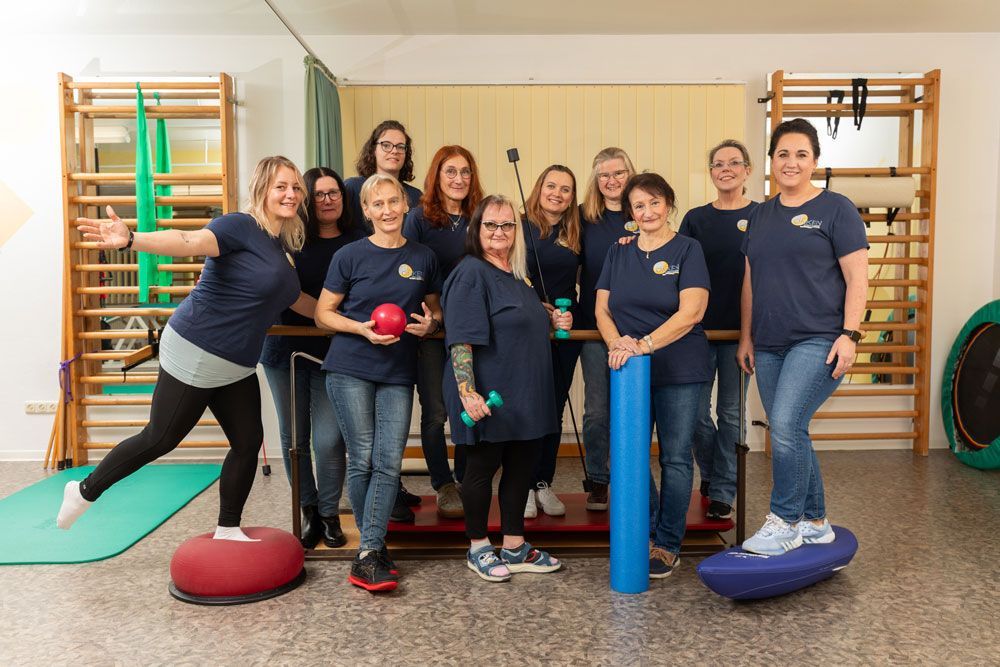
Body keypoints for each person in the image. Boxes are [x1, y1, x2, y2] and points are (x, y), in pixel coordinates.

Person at [58, 156, 312, 542]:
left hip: (236, 364)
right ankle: (83, 491)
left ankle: (228, 528)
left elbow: (297, 300)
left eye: (295, 187)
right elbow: (189, 241)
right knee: (161, 437)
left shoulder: (280, 246)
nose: (290, 194)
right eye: (281, 186)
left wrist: (346, 318)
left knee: (247, 443)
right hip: (198, 348)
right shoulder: (239, 226)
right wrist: (132, 239)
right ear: (262, 188)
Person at [738, 118, 869, 556]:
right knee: (791, 428)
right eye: (782, 154)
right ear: (771, 161)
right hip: (769, 343)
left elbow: (858, 278)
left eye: (801, 154)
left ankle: (785, 520)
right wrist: (746, 337)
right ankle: (815, 521)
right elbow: (750, 282)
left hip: (819, 339)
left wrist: (850, 334)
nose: (790, 162)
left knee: (786, 425)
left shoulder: (837, 209)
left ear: (814, 161)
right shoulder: (760, 215)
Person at [316, 174, 442, 593]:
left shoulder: (423, 257)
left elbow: (434, 310)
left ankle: (369, 550)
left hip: (398, 372)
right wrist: (360, 329)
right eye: (378, 204)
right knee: (364, 457)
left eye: (393, 201)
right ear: (367, 211)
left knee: (389, 462)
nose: (387, 210)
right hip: (350, 366)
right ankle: (371, 551)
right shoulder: (349, 255)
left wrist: (429, 325)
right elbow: (323, 314)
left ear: (406, 204)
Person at [442, 195, 570, 582]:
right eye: (491, 225)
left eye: (508, 225)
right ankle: (478, 547)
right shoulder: (470, 272)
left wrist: (552, 317)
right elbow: (461, 340)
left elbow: (518, 317)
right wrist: (468, 392)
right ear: (476, 229)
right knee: (481, 469)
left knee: (520, 469)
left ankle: (514, 546)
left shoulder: (516, 274)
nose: (500, 232)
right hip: (489, 392)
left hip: (525, 392)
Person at [595, 172, 711, 579]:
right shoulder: (618, 251)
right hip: (630, 371)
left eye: (654, 202)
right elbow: (601, 310)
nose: (647, 212)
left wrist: (642, 344)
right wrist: (618, 345)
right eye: (639, 205)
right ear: (630, 212)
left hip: (681, 368)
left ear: (668, 204)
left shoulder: (688, 249)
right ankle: (642, 532)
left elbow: (691, 312)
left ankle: (667, 543)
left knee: (675, 457)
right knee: (629, 454)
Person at [260, 167, 363, 549]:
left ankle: (329, 512)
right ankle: (308, 510)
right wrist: (328, 314)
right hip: (283, 351)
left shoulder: (358, 241)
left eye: (333, 193)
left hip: (335, 354)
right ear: (307, 199)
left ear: (343, 198)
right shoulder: (288, 237)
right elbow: (281, 291)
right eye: (318, 194)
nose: (327, 200)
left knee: (329, 440)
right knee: (294, 439)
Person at [678, 139, 759, 521]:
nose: (726, 169)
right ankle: (711, 474)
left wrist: (748, 336)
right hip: (696, 334)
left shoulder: (762, 216)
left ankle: (724, 490)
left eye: (734, 163)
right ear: (711, 172)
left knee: (731, 414)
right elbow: (674, 263)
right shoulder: (695, 219)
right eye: (718, 164)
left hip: (740, 336)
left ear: (747, 170)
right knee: (694, 414)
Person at [403, 145, 485, 519]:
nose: (458, 179)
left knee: (470, 405)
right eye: (450, 171)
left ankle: (466, 478)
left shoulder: (481, 217)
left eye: (465, 171)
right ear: (436, 176)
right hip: (431, 331)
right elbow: (407, 270)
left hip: (473, 328)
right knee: (436, 411)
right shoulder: (419, 219)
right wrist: (428, 319)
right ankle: (443, 483)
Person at [520, 165, 582, 519]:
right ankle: (523, 485)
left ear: (573, 197)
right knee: (529, 407)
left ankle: (543, 481)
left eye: (565, 189)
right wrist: (534, 306)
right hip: (526, 329)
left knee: (554, 408)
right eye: (551, 186)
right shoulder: (517, 226)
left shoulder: (577, 230)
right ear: (538, 187)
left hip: (564, 330)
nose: (557, 193)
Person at [578, 147, 637, 510]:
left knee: (632, 410)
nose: (612, 181)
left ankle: (631, 479)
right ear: (596, 180)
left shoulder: (644, 212)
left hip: (638, 332)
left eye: (619, 173)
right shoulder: (584, 217)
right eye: (604, 175)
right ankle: (598, 480)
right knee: (597, 411)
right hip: (593, 329)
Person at [344, 120, 422, 233]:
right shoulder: (352, 188)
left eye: (400, 147)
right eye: (386, 145)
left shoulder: (416, 196)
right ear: (373, 150)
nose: (394, 151)